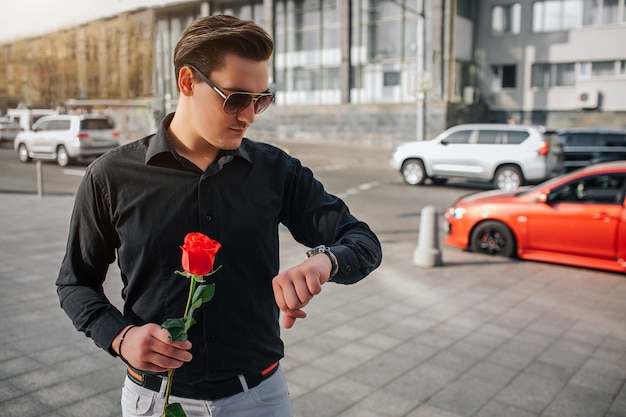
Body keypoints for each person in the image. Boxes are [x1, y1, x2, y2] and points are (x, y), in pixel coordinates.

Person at [56, 14, 382, 417]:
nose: (249, 115)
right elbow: (74, 283)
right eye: (237, 98)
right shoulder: (110, 176)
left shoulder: (275, 170)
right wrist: (121, 337)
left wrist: (324, 263)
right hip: (155, 399)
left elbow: (363, 242)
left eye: (261, 100)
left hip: (260, 398)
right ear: (188, 82)